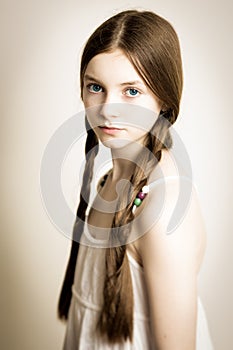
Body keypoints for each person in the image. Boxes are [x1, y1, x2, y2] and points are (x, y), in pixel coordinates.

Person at [58, 9, 214, 349]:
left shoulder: (164, 207)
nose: (108, 108)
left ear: (163, 100)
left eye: (131, 91)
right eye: (96, 87)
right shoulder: (109, 182)